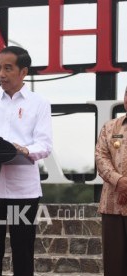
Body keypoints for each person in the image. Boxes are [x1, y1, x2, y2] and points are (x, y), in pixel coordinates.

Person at [0, 46, 53, 276]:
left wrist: (24, 149)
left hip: (23, 190)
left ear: (23, 71)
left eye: (8, 68)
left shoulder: (39, 103)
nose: (2, 74)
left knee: (23, 251)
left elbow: (44, 145)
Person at [95, 86, 127, 276]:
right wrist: (120, 181)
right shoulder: (110, 127)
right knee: (114, 265)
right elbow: (101, 157)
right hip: (112, 206)